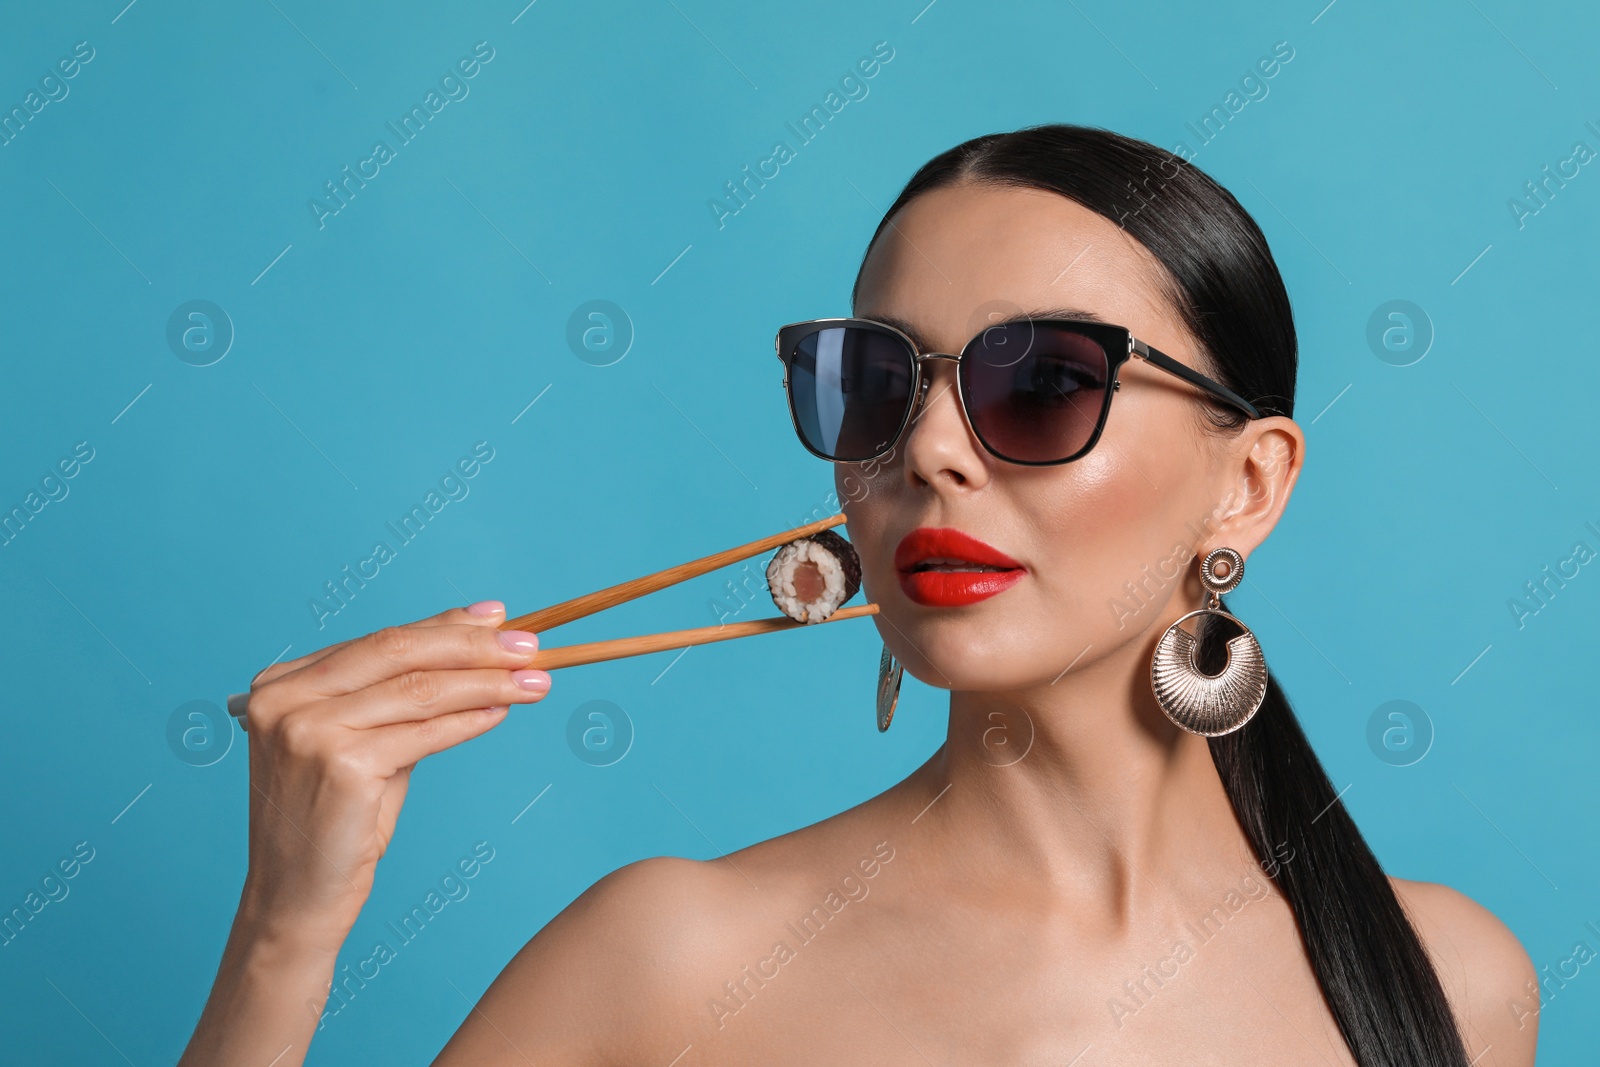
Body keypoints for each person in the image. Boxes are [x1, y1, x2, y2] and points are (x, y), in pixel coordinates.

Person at [179, 124, 1538, 1066]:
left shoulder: (1451, 984)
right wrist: (285, 929)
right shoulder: (667, 960)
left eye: (1046, 379)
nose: (929, 450)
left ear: (1246, 485)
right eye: (877, 383)